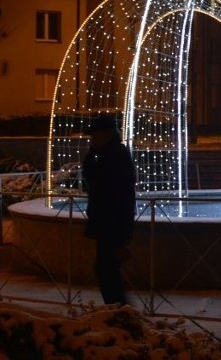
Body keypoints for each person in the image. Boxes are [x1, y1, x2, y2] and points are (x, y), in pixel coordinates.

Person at [81, 113, 136, 305]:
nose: (92, 139)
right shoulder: (110, 154)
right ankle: (119, 311)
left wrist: (123, 237)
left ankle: (120, 312)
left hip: (111, 225)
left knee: (106, 271)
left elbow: (116, 194)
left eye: (94, 136)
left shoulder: (114, 156)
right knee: (107, 271)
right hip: (110, 224)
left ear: (106, 134)